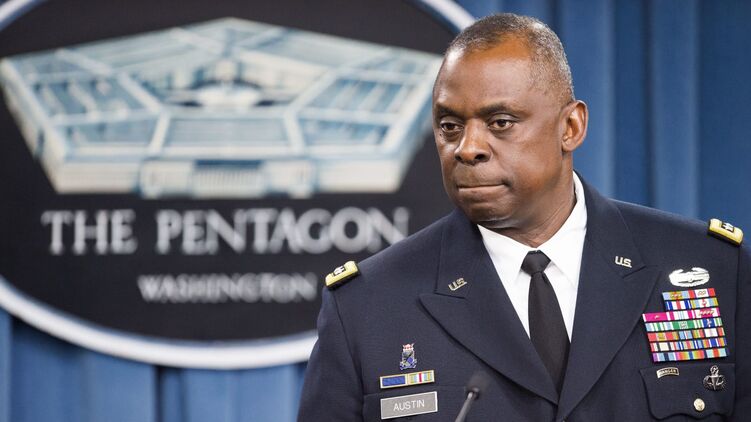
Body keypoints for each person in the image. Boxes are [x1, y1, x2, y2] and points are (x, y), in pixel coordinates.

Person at [298, 13, 750, 421]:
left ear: (570, 128)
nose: (467, 148)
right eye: (450, 126)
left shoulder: (713, 270)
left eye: (500, 122)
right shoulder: (367, 306)